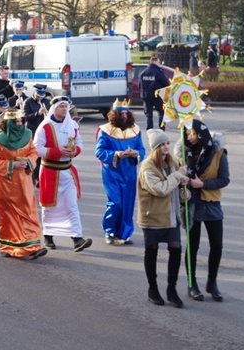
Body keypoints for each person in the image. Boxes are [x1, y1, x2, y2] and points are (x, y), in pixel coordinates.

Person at [176, 119, 230, 303]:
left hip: (211, 203)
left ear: (201, 133)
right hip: (191, 205)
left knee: (217, 245)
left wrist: (203, 184)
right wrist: (181, 187)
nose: (189, 137)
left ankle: (212, 282)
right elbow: (175, 178)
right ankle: (192, 284)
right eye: (187, 133)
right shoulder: (182, 153)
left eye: (192, 133)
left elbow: (224, 179)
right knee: (192, 246)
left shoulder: (218, 153)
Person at [137, 129, 189, 308]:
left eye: (168, 143)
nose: (167, 147)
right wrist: (177, 176)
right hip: (153, 218)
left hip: (171, 217)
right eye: (162, 144)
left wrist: (184, 194)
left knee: (175, 249)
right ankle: (153, 289)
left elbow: (174, 190)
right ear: (155, 148)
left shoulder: (173, 163)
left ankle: (171, 289)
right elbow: (160, 189)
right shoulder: (147, 167)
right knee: (151, 252)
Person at [0, 109, 48, 260]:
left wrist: (27, 162)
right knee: (8, 214)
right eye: (16, 122)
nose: (20, 124)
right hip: (5, 183)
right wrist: (12, 164)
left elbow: (33, 153)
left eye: (21, 121)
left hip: (24, 181)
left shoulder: (27, 135)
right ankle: (8, 245)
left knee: (28, 211)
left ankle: (32, 246)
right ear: (8, 123)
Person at [33, 96, 92, 252]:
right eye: (61, 107)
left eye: (66, 107)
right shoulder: (45, 126)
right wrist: (57, 151)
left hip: (67, 171)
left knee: (72, 205)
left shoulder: (72, 125)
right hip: (50, 171)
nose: (64, 109)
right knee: (50, 207)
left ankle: (77, 238)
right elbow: (37, 148)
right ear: (54, 108)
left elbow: (79, 143)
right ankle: (48, 235)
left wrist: (74, 151)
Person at [95, 99, 145, 245]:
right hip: (112, 172)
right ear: (115, 114)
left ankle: (124, 233)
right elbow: (99, 152)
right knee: (115, 202)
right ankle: (109, 230)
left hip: (129, 172)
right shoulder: (105, 130)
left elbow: (142, 149)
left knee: (128, 203)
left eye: (126, 113)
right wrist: (116, 154)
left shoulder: (135, 129)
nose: (124, 116)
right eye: (121, 113)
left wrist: (136, 153)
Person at [140, 55, 171, 130]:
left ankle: (150, 130)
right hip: (157, 97)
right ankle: (161, 130)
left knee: (149, 115)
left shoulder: (143, 72)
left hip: (146, 96)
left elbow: (139, 85)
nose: (159, 64)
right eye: (158, 62)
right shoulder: (158, 72)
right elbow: (166, 83)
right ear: (154, 62)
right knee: (161, 113)